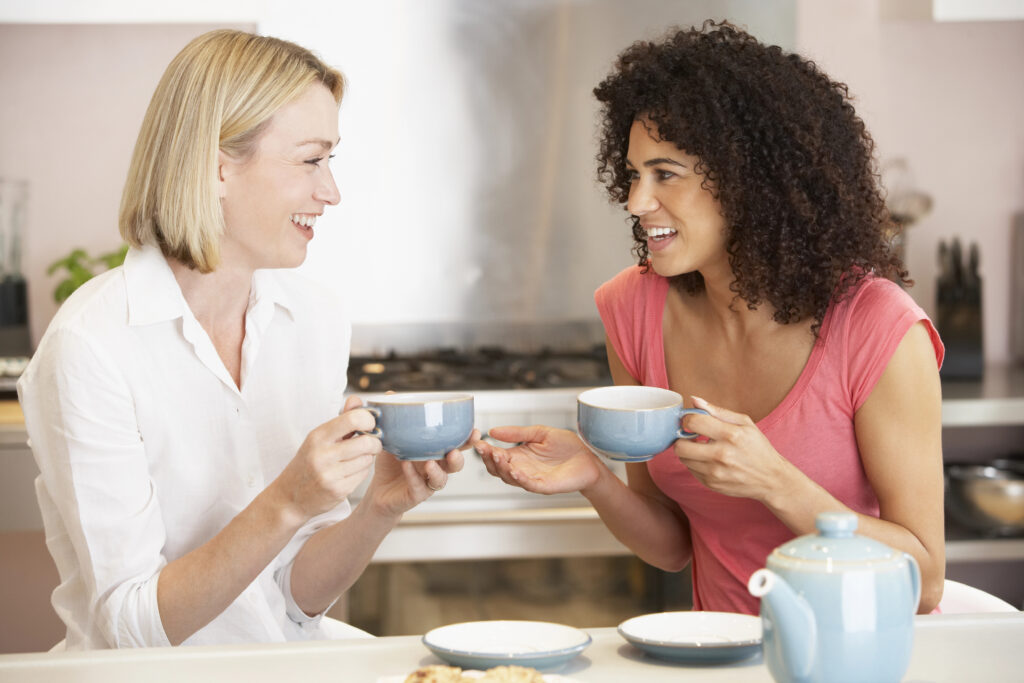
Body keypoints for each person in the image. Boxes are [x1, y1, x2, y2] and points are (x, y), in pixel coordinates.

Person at [473, 21, 945, 615]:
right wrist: (593, 477)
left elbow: (924, 581)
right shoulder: (632, 308)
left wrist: (775, 481)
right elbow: (673, 545)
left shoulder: (878, 328)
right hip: (715, 659)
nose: (637, 202)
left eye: (665, 174)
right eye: (634, 175)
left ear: (752, 181)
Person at [18, 29, 469, 650]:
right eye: (311, 159)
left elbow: (294, 602)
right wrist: (286, 501)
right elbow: (132, 630)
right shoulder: (90, 346)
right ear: (218, 167)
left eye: (330, 160)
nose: (331, 191)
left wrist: (378, 509)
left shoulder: (312, 318)